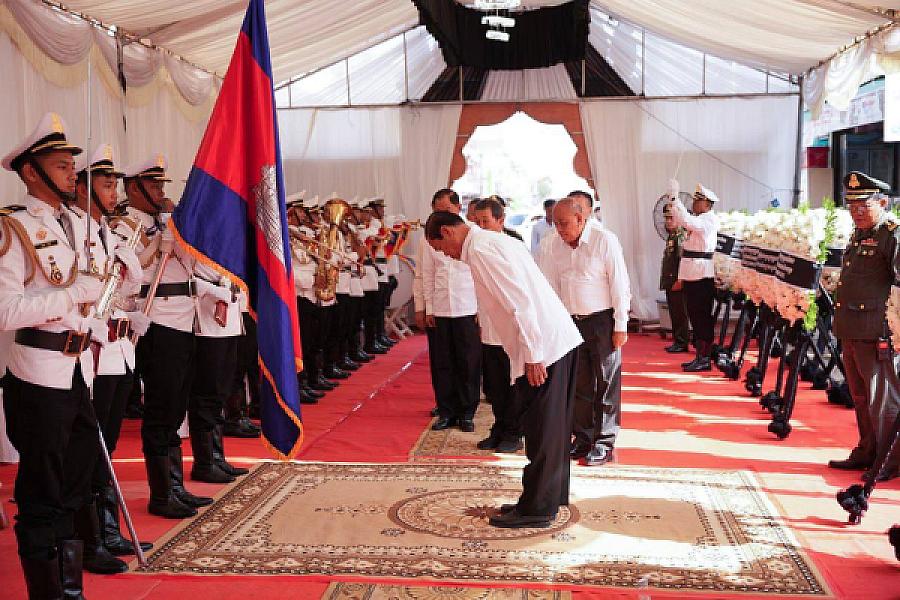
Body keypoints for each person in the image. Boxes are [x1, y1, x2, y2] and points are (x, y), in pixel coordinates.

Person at [0, 112, 105, 597]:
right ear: (31, 173)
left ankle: (69, 587)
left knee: (74, 483)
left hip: (77, 370)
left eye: (69, 166)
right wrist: (69, 297)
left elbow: (83, 297)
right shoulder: (13, 229)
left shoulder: (74, 225)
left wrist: (94, 321)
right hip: (38, 377)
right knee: (42, 493)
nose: (70, 174)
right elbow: (5, 312)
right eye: (60, 166)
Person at [425, 211, 582, 528]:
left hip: (544, 346)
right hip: (552, 339)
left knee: (541, 429)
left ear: (447, 232)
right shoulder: (492, 240)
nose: (447, 256)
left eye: (442, 248)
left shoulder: (481, 249)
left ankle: (538, 509)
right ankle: (544, 498)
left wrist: (534, 354)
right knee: (550, 428)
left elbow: (518, 301)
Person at [70, 144, 151, 573]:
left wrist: (129, 314)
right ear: (81, 187)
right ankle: (89, 538)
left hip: (119, 351)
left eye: (114, 183)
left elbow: (121, 290)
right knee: (89, 447)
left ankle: (107, 526)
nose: (112, 190)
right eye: (104, 183)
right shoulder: (77, 234)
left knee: (111, 443)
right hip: (94, 353)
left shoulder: (107, 233)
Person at [123, 154, 212, 519]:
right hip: (156, 320)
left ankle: (174, 484)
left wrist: (176, 230)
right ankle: (161, 492)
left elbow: (195, 263)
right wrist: (157, 241)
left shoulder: (168, 223)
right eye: (154, 185)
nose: (161, 192)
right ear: (134, 188)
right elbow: (129, 271)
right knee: (161, 408)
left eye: (162, 185)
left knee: (176, 407)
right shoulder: (125, 225)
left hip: (184, 318)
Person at [538, 197, 631, 467]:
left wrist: (620, 325)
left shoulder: (605, 240)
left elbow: (619, 284)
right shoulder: (553, 245)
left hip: (602, 321)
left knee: (605, 382)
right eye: (556, 224)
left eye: (565, 224)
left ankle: (604, 442)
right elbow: (550, 287)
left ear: (581, 219)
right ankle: (582, 437)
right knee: (578, 383)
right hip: (570, 321)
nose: (560, 230)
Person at [828, 171, 899, 482]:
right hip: (851, 327)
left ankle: (888, 460)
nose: (856, 212)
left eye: (863, 205)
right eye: (851, 206)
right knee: (859, 396)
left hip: (876, 330)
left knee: (882, 398)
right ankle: (868, 450)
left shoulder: (892, 234)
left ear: (882, 202)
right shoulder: (860, 232)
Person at [413, 189, 480, 432]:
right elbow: (424, 274)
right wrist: (424, 308)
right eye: (437, 211)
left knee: (468, 361)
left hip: (468, 306)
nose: (441, 216)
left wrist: (482, 309)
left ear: (457, 209)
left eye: (446, 211)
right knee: (442, 362)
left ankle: (467, 411)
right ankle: (446, 410)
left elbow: (480, 276)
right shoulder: (427, 239)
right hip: (440, 308)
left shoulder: (473, 235)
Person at [472, 197, 524, 452]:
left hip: (510, 329)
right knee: (493, 385)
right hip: (488, 327)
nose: (482, 227)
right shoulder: (476, 248)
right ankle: (500, 426)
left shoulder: (513, 245)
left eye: (486, 221)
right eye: (478, 222)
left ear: (500, 221)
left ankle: (514, 431)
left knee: (512, 382)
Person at [668, 183, 720, 372]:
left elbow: (688, 222)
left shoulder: (708, 220)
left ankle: (704, 357)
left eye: (698, 200)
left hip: (701, 275)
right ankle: (700, 355)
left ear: (707, 203)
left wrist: (676, 199)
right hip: (693, 274)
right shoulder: (700, 218)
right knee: (694, 316)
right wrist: (673, 202)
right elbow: (682, 220)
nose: (695, 203)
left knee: (701, 317)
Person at [660, 203, 690, 353]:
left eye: (671, 218)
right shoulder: (672, 236)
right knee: (674, 312)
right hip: (670, 280)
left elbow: (683, 261)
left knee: (680, 312)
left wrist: (680, 280)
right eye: (666, 218)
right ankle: (678, 339)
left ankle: (682, 341)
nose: (668, 221)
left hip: (677, 281)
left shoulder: (680, 236)